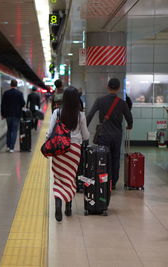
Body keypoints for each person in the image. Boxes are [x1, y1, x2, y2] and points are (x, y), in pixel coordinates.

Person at [47, 87, 89, 222]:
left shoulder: (57, 113)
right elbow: (86, 135)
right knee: (70, 178)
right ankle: (68, 208)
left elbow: (49, 133)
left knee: (59, 178)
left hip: (59, 150)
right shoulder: (80, 115)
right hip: (75, 150)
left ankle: (58, 205)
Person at [86, 78, 133, 190]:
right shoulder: (122, 103)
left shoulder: (100, 100)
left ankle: (104, 181)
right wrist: (129, 126)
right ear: (119, 88)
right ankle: (114, 182)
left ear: (108, 87)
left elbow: (90, 115)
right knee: (115, 158)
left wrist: (85, 128)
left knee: (103, 158)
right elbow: (129, 118)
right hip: (117, 136)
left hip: (104, 135)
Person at [1, 79, 25, 152]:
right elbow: (23, 103)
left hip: (8, 115)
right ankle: (12, 148)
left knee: (9, 130)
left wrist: (2, 114)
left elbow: (3, 104)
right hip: (16, 115)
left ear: (10, 85)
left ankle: (8, 146)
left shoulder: (6, 93)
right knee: (14, 131)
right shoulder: (19, 93)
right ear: (16, 85)